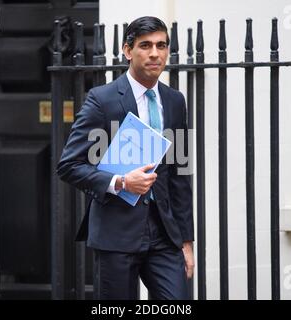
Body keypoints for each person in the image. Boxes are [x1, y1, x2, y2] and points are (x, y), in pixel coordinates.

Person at [57, 16, 194, 300]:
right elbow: (69, 165)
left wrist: (186, 240)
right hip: (117, 232)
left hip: (164, 233)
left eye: (161, 45)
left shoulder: (175, 101)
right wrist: (120, 182)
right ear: (128, 51)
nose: (155, 53)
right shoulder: (102, 99)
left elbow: (181, 172)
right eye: (145, 45)